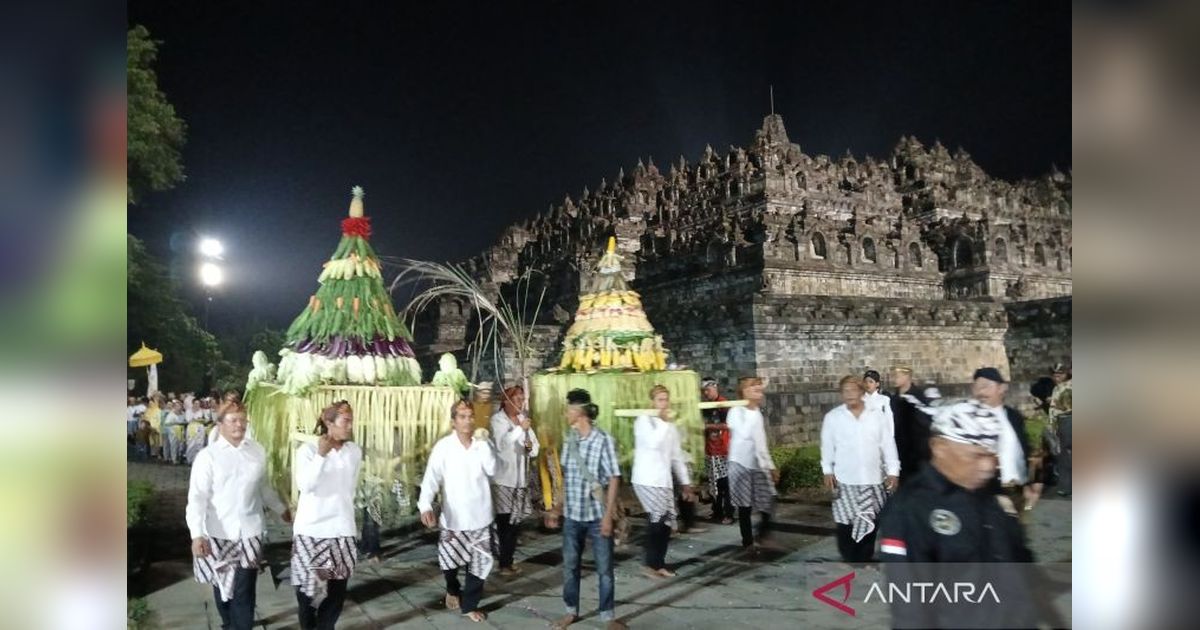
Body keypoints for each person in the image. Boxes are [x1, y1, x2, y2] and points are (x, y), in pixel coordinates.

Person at [877, 399, 1039, 628]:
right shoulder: (909, 509)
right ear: (940, 447)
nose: (987, 467)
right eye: (976, 455)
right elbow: (909, 604)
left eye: (991, 456)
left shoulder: (990, 495)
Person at [186, 402, 291, 630]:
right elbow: (197, 498)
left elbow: (263, 487)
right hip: (219, 532)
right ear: (220, 424)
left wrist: (281, 508)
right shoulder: (208, 457)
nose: (239, 425)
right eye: (233, 420)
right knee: (223, 586)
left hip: (251, 531)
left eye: (243, 420)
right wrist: (197, 534)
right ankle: (228, 623)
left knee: (245, 587)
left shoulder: (256, 451)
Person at [551, 389, 625, 630]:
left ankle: (607, 616)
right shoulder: (569, 440)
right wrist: (558, 506)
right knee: (570, 567)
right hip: (572, 516)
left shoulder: (603, 440)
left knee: (605, 569)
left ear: (579, 412)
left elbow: (613, 478)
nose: (566, 414)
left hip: (596, 516)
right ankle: (570, 611)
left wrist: (608, 516)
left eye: (568, 410)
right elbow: (565, 478)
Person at [419, 399, 497, 623]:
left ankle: (470, 605)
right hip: (454, 517)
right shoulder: (444, 447)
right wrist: (425, 505)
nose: (467, 421)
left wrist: (485, 444)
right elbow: (431, 478)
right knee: (449, 562)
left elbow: (493, 470)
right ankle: (452, 589)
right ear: (453, 421)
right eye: (462, 417)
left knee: (480, 564)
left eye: (470, 416)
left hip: (480, 516)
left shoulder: (482, 444)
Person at [291, 401, 361, 630]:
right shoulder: (308, 451)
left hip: (342, 530)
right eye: (345, 420)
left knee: (336, 594)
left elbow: (350, 489)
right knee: (308, 594)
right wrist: (321, 456)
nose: (350, 425)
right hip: (312, 531)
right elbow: (305, 485)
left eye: (351, 420)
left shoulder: (353, 452)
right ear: (328, 422)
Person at [821, 375, 900, 562]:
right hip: (845, 480)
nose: (849, 394)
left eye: (853, 390)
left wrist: (893, 471)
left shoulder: (876, 415)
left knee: (871, 521)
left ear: (862, 392)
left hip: (873, 480)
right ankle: (849, 557)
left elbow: (887, 444)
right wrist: (827, 470)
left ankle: (864, 557)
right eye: (845, 391)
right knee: (845, 523)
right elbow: (827, 446)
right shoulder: (833, 417)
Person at [632, 385, 695, 578]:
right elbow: (653, 443)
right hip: (646, 478)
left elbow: (676, 456)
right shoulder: (643, 421)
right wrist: (664, 423)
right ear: (652, 402)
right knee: (657, 518)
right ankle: (650, 564)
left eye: (666, 400)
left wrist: (685, 483)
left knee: (667, 522)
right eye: (660, 400)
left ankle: (658, 562)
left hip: (663, 480)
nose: (664, 404)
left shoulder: (669, 426)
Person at [972, 367, 1040, 517]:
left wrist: (1031, 484)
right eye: (976, 387)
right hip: (986, 496)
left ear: (1002, 388)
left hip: (1017, 492)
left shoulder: (1014, 417)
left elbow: (1028, 451)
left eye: (985, 386)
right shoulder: (968, 422)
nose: (980, 392)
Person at [490, 385, 539, 577]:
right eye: (517, 399)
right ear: (506, 401)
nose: (520, 402)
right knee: (504, 523)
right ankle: (504, 562)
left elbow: (534, 448)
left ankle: (508, 560)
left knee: (515, 523)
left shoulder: (522, 420)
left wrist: (529, 446)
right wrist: (520, 429)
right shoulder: (498, 420)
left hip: (520, 480)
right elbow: (502, 443)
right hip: (503, 479)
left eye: (522, 399)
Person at [726, 377, 778, 554]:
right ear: (744, 391)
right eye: (754, 389)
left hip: (756, 464)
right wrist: (748, 406)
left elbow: (761, 443)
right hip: (739, 463)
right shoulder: (735, 411)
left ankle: (763, 535)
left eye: (759, 389)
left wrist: (769, 466)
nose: (759, 392)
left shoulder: (757, 413)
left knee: (769, 498)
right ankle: (748, 542)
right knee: (744, 505)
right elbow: (744, 433)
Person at [889, 365, 930, 486]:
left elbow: (925, 424)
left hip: (916, 451)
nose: (894, 379)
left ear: (907, 376)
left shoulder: (918, 397)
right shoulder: (894, 398)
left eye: (898, 376)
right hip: (898, 448)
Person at [700, 378, 733, 524]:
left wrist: (708, 427)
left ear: (715, 388)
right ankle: (717, 511)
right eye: (704, 391)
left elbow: (728, 425)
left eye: (708, 390)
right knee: (713, 482)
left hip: (723, 449)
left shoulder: (723, 404)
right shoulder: (705, 405)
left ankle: (728, 513)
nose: (706, 393)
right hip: (710, 449)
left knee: (725, 483)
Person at [1055, 388, 1073, 497]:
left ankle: (1065, 488)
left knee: (1064, 463)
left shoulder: (1061, 418)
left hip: (1064, 443)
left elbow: (1057, 433)